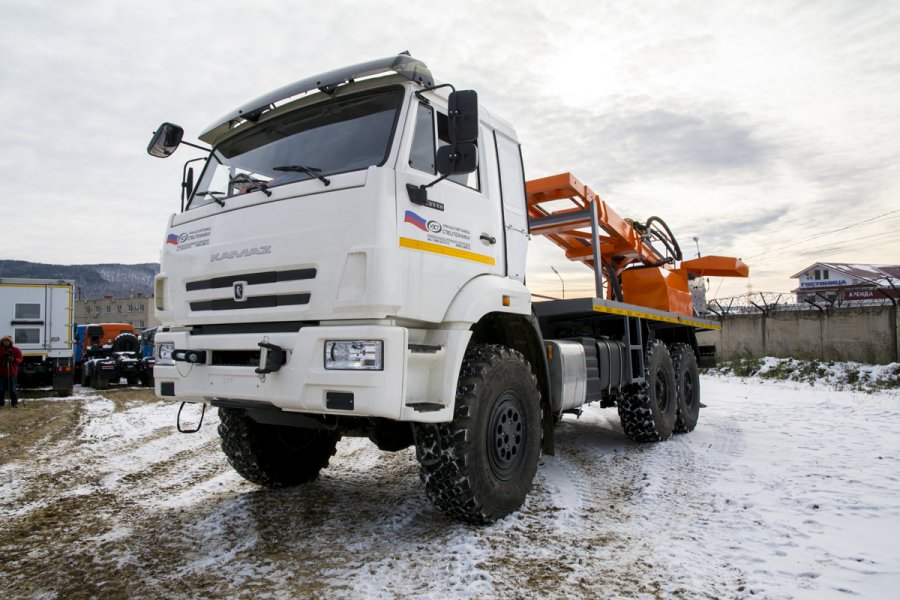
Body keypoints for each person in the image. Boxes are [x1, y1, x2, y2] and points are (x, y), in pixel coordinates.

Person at [0, 335, 23, 408]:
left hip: (12, 372)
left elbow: (20, 360)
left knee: (13, 389)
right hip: (1, 372)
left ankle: (15, 403)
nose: (5, 342)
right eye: (4, 341)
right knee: (0, 389)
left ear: (10, 342)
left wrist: (13, 360)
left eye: (7, 341)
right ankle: (1, 404)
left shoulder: (16, 350)